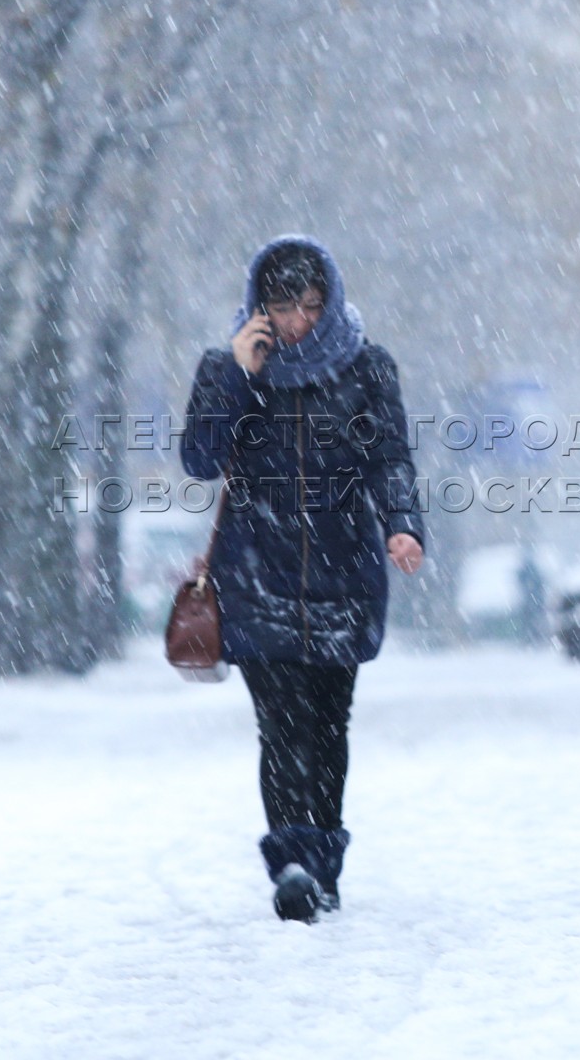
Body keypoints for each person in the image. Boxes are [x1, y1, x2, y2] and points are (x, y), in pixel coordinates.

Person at [180, 235, 425, 923]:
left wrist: (403, 524)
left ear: (330, 301)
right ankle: (291, 866)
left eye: (311, 307)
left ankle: (324, 866)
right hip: (257, 571)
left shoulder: (367, 368)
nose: (297, 323)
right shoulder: (228, 366)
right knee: (281, 726)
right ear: (259, 306)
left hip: (345, 570)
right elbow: (200, 458)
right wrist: (238, 375)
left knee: (327, 725)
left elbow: (391, 459)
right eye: (283, 308)